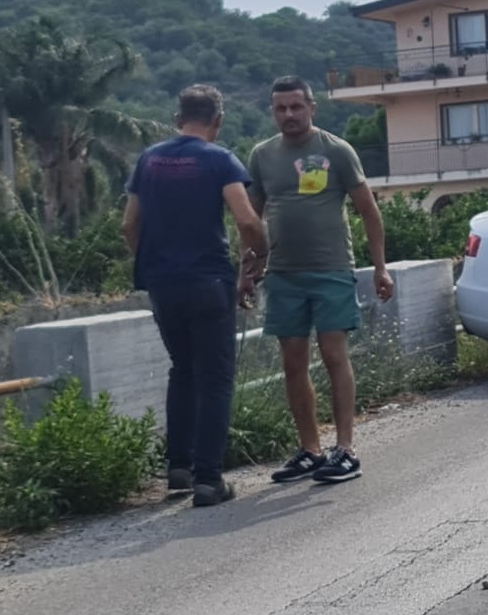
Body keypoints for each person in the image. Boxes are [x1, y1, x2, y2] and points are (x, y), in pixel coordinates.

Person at [122, 85, 269, 508]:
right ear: (218, 121)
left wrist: (151, 266)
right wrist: (260, 256)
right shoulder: (219, 159)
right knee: (215, 378)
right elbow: (246, 219)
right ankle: (208, 479)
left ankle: (178, 470)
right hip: (208, 281)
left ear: (177, 118)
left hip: (163, 285)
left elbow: (129, 225)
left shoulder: (149, 159)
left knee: (182, 370)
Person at [243, 76, 394, 486]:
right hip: (283, 275)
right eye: (281, 108)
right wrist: (248, 270)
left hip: (331, 270)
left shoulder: (336, 151)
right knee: (292, 363)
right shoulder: (262, 155)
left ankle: (345, 449)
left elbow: (368, 211)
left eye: (296, 106)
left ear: (312, 107)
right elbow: (252, 219)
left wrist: (380, 267)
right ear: (273, 111)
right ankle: (310, 450)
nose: (289, 115)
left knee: (334, 356)